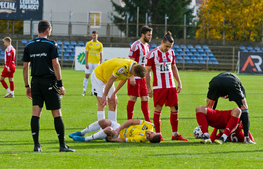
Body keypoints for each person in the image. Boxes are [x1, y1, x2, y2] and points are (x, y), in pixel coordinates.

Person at [22, 20, 75, 152]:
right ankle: (62, 146)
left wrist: (27, 86)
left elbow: (25, 67)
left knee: (36, 112)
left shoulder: (29, 45)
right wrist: (60, 84)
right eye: (50, 30)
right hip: (49, 82)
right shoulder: (51, 44)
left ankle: (37, 145)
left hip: (35, 82)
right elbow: (55, 64)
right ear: (47, 30)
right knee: (56, 113)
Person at [145, 31, 188, 141]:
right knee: (158, 109)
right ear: (162, 42)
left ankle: (175, 134)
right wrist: (148, 87)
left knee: (175, 109)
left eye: (170, 47)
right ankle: (158, 134)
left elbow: (173, 67)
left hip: (171, 86)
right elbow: (147, 71)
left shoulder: (171, 53)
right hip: (159, 86)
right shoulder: (152, 54)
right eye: (166, 46)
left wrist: (179, 82)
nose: (167, 49)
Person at [91, 58, 146, 122]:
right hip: (98, 76)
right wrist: (104, 95)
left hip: (107, 78)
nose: (134, 76)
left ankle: (113, 126)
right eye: (135, 75)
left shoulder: (134, 66)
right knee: (102, 102)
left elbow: (124, 80)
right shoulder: (123, 67)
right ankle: (102, 127)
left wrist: (114, 93)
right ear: (134, 73)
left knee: (113, 101)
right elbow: (111, 79)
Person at [206, 72, 254, 144]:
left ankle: (204, 135)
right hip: (231, 82)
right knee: (244, 107)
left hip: (215, 81)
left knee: (208, 108)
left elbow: (211, 108)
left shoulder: (219, 79)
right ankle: (246, 138)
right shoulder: (239, 86)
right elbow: (243, 109)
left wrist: (216, 121)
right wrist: (242, 121)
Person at [127, 26, 152, 122]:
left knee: (145, 98)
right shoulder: (135, 45)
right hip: (135, 77)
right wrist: (132, 76)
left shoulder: (147, 46)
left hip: (143, 77)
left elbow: (145, 62)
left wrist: (148, 73)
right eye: (148, 35)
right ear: (143, 35)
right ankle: (129, 121)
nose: (150, 37)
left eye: (151, 35)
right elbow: (131, 62)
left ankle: (148, 121)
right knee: (133, 98)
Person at [69, 119, 161, 143]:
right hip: (118, 127)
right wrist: (119, 128)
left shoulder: (141, 139)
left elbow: (123, 140)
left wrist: (111, 140)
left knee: (108, 129)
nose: (148, 133)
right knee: (103, 121)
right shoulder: (149, 125)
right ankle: (81, 133)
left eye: (149, 136)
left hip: (117, 135)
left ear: (148, 140)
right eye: (151, 132)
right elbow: (131, 121)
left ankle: (85, 139)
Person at [82, 31, 103, 96]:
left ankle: (93, 90)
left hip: (96, 63)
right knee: (87, 76)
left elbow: (101, 54)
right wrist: (86, 63)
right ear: (92, 36)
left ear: (97, 35)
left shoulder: (100, 44)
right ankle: (84, 90)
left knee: (95, 77)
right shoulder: (88, 43)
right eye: (93, 35)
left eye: (95, 35)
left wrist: (101, 63)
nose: (94, 36)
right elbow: (86, 53)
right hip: (89, 62)